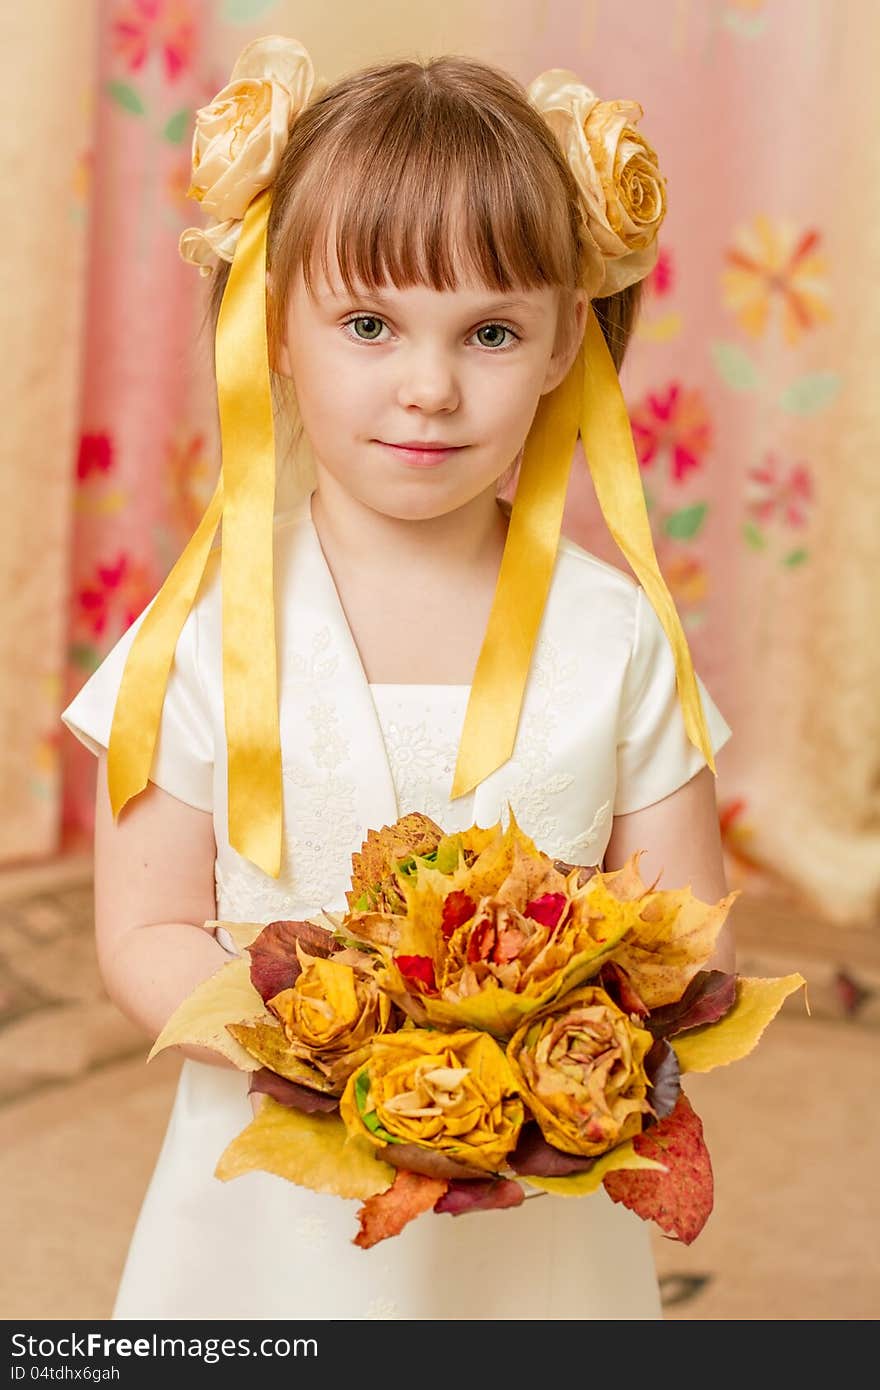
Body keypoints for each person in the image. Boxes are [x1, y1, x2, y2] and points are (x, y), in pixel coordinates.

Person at [61, 35, 735, 1321]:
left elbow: (688, 923)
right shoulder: (204, 630)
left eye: (488, 331)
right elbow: (142, 932)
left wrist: (542, 1071)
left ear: (561, 350)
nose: (427, 388)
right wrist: (337, 1061)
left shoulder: (615, 636)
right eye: (370, 324)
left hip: (531, 1201)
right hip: (265, 1195)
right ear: (278, 330)